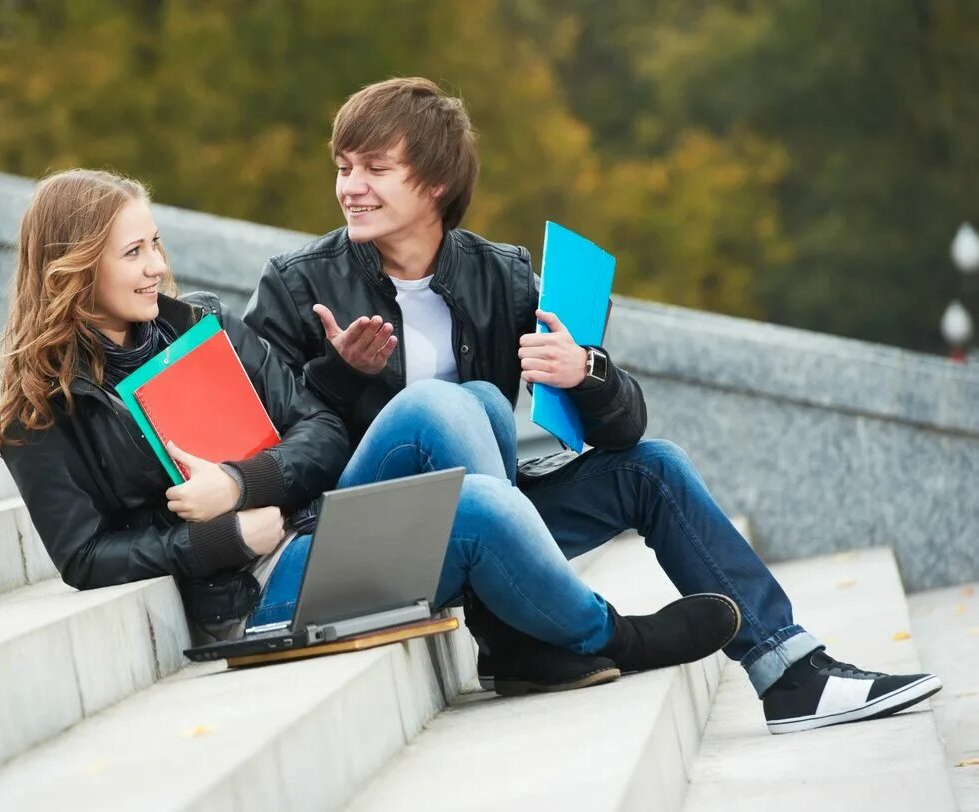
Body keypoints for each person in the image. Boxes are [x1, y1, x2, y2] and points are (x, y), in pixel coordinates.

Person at [242, 77, 942, 733]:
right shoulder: (299, 286)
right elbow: (270, 458)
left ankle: (790, 669)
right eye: (343, 168)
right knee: (444, 408)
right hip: (348, 536)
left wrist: (587, 373)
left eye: (374, 169)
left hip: (481, 520)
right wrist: (336, 377)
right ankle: (538, 633)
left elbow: (620, 429)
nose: (351, 188)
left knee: (642, 462)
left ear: (436, 183)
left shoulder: (502, 276)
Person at [0, 168, 740, 694]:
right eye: (134, 251)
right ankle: (606, 639)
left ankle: (519, 634)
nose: (157, 267)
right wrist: (223, 536)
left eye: (156, 244)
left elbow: (318, 428)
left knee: (460, 398)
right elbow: (84, 557)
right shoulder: (38, 408)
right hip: (253, 590)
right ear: (72, 267)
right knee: (474, 506)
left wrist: (245, 482)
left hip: (311, 525)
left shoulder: (202, 326)